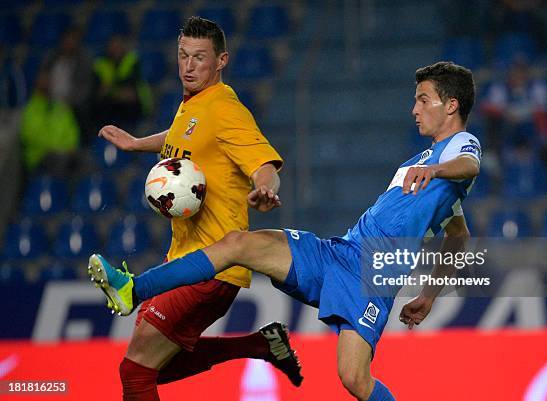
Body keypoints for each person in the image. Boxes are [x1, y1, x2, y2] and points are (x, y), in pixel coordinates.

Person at [91, 61, 481, 400]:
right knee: (238, 244)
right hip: (338, 253)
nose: (414, 109)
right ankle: (133, 288)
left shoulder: (460, 148)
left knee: (355, 380)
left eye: (423, 100)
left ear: (451, 106)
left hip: (368, 277)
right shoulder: (428, 168)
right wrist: (429, 296)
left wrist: (436, 170)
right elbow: (458, 234)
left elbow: (469, 165)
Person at [95, 17, 302, 401]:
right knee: (158, 368)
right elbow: (184, 134)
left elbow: (265, 164)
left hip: (213, 265)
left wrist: (264, 189)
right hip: (183, 259)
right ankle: (259, 345)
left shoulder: (226, 108)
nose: (189, 67)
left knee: (134, 372)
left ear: (221, 60)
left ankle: (256, 347)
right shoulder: (194, 103)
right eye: (183, 56)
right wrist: (136, 143)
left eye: (200, 58)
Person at [92, 34, 152, 133]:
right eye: (113, 45)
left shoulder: (132, 60)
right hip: (109, 108)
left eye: (118, 45)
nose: (116, 49)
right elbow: (98, 91)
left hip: (132, 108)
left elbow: (130, 93)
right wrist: (115, 92)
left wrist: (110, 91)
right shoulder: (100, 63)